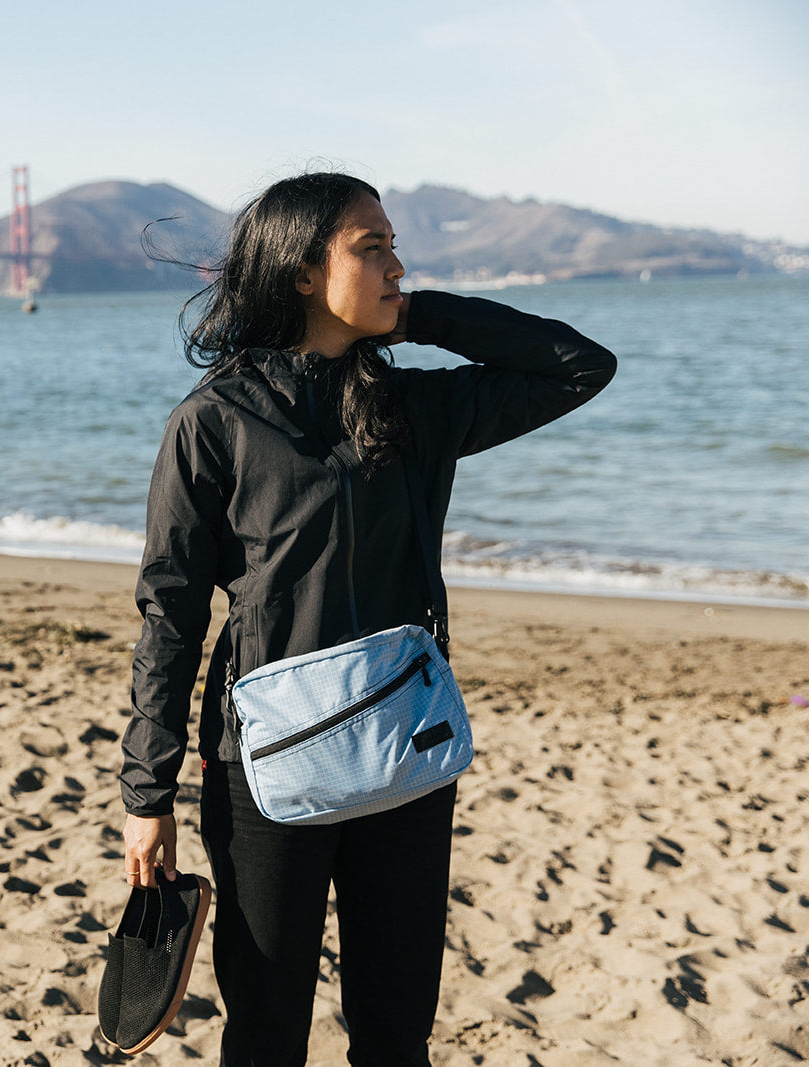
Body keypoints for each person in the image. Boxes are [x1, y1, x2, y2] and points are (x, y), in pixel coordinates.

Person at [120, 173, 616, 1065]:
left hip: (404, 746)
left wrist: (412, 314)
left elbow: (581, 365)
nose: (396, 264)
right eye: (371, 247)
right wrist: (145, 794)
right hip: (265, 765)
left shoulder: (414, 409)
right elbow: (172, 614)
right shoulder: (216, 421)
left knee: (396, 1032)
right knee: (267, 1031)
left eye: (394, 245)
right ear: (304, 271)